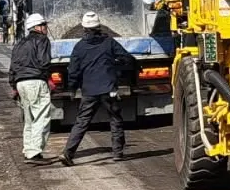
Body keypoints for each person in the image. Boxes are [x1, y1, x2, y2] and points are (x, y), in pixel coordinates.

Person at [60, 10, 140, 166]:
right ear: (99, 26)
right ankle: (117, 153)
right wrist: (118, 68)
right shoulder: (109, 42)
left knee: (81, 122)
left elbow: (73, 70)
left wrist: (72, 89)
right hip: (108, 89)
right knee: (115, 119)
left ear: (83, 28)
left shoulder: (79, 47)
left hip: (89, 91)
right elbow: (126, 58)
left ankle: (68, 153)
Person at [8, 12, 53, 163]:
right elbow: (44, 61)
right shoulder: (42, 40)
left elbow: (13, 66)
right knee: (41, 117)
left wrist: (13, 85)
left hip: (21, 83)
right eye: (44, 25)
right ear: (37, 27)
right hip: (36, 81)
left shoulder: (19, 43)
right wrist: (48, 78)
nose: (46, 28)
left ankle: (28, 150)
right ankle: (34, 152)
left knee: (29, 118)